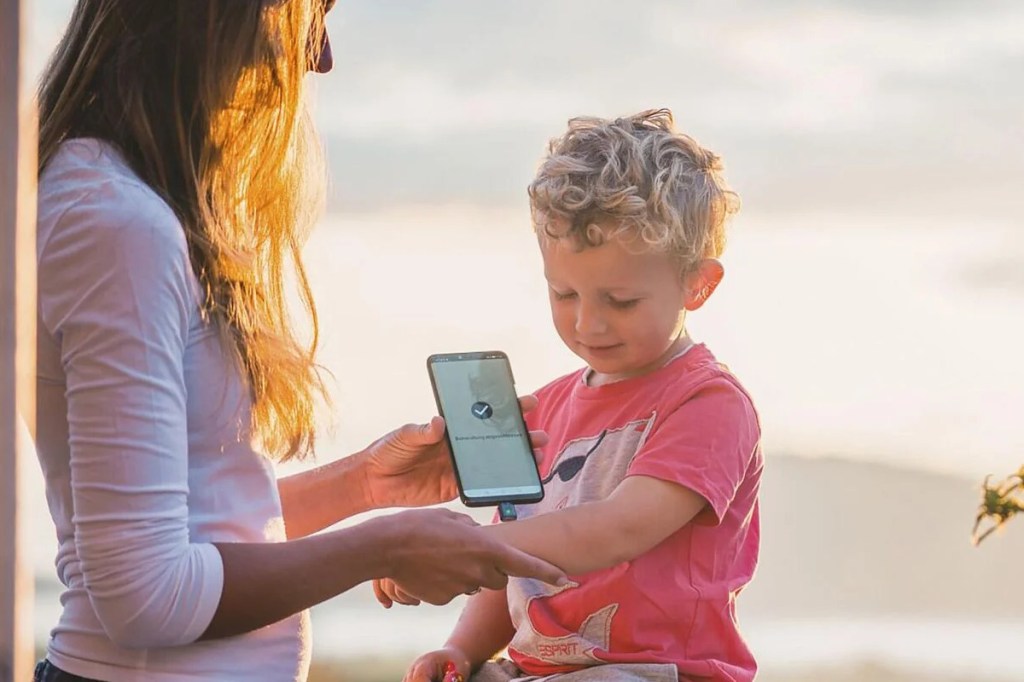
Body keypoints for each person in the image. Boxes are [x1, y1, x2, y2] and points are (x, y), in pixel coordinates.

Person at [31, 1, 566, 681]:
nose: (321, 56)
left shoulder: (125, 204)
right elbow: (145, 594)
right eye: (310, 11)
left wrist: (365, 484)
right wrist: (387, 546)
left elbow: (195, 528)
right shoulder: (113, 223)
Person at [376, 109, 763, 682]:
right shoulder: (547, 408)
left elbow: (618, 529)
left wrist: (463, 547)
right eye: (564, 294)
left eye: (621, 300)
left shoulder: (708, 404)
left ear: (696, 284)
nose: (589, 323)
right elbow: (520, 571)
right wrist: (461, 649)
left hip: (653, 672)